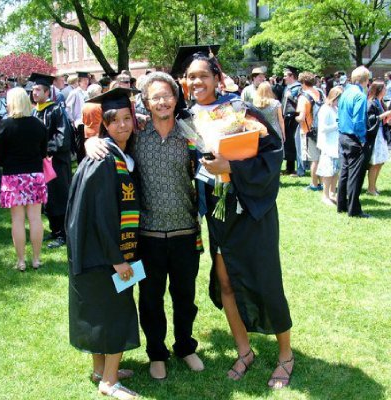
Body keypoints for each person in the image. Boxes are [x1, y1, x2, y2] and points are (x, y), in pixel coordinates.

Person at [184, 49, 293, 389]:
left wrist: (231, 167)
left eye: (203, 75)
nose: (196, 81)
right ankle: (244, 350)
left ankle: (285, 355)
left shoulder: (241, 111)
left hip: (250, 209)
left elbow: (273, 155)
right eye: (191, 76)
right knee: (225, 280)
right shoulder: (185, 117)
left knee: (265, 280)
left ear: (218, 77)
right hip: (217, 211)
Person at [85, 71, 204, 380]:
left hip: (185, 233)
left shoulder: (191, 135)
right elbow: (111, 145)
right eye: (155, 97)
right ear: (146, 102)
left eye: (167, 95)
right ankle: (156, 352)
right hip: (146, 237)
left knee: (184, 297)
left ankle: (186, 346)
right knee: (150, 299)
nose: (162, 102)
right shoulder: (137, 139)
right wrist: (90, 143)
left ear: (176, 99)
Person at [66, 88, 140, 400]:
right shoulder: (103, 160)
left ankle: (101, 369)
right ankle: (109, 382)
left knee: (99, 313)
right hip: (107, 255)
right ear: (105, 125)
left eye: (127, 118)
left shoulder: (115, 154)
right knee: (116, 314)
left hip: (99, 253)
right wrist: (118, 259)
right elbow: (99, 216)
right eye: (115, 120)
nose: (123, 125)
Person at [0, 87, 48, 271]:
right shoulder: (38, 124)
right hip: (35, 175)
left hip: (12, 176)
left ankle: (21, 261)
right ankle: (36, 259)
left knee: (17, 219)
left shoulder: (5, 125)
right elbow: (43, 152)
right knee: (35, 218)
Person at [31, 72, 72, 247]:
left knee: (59, 197)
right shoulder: (35, 111)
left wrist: (47, 149)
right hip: (41, 162)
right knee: (47, 198)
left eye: (38, 90)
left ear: (47, 93)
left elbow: (63, 137)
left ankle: (64, 233)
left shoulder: (56, 110)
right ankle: (54, 230)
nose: (34, 93)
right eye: (33, 90)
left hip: (56, 163)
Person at [337, 66, 372, 218]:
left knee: (344, 172)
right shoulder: (360, 95)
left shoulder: (345, 92)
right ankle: (354, 209)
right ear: (366, 80)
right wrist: (363, 139)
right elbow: (358, 121)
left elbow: (339, 115)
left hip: (343, 135)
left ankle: (342, 205)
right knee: (355, 175)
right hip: (354, 138)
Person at [295, 72, 324, 191]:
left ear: (302, 83)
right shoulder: (320, 92)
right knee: (321, 157)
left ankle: (314, 184)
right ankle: (323, 182)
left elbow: (301, 117)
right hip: (321, 129)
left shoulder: (303, 97)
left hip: (309, 131)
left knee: (314, 159)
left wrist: (295, 117)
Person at [316, 86, 343, 205]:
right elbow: (322, 128)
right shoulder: (325, 109)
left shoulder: (336, 108)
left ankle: (333, 192)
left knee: (336, 170)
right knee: (328, 171)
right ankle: (325, 195)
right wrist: (338, 125)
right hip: (328, 144)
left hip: (336, 144)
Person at [366, 80, 391, 195]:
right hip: (375, 135)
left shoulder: (381, 102)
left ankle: (374, 186)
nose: (386, 90)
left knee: (381, 162)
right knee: (375, 163)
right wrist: (385, 115)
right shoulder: (371, 102)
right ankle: (370, 188)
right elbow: (371, 119)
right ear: (379, 90)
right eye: (384, 88)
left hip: (382, 134)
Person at [282, 66, 302, 176]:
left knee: (294, 142)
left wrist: (290, 97)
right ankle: (289, 167)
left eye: (286, 76)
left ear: (292, 76)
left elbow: (300, 103)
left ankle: (295, 168)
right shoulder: (288, 87)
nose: (284, 78)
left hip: (294, 117)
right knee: (288, 142)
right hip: (286, 117)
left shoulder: (298, 88)